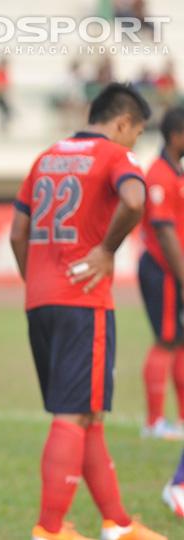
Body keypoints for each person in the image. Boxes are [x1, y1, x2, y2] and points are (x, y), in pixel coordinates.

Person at [10, 83, 165, 540]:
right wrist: (104, 251)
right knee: (74, 414)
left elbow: (18, 232)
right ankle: (51, 529)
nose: (134, 142)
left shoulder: (46, 158)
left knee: (88, 413)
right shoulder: (115, 156)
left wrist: (36, 280)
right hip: (83, 300)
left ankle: (117, 523)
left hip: (42, 300)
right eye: (136, 132)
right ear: (122, 123)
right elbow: (136, 200)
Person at [138, 108, 184, 442]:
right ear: (175, 135)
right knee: (166, 340)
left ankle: (180, 419)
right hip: (164, 269)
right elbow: (165, 232)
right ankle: (154, 422)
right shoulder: (158, 175)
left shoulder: (175, 173)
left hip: (175, 269)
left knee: (180, 343)